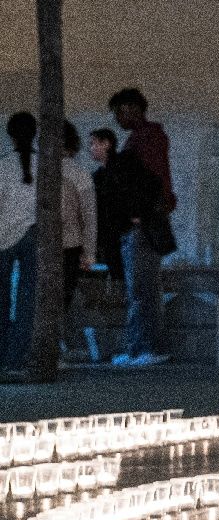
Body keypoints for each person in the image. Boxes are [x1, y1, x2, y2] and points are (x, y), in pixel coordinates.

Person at [108, 88, 175, 366]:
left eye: (119, 112)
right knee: (144, 288)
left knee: (141, 289)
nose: (117, 119)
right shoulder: (147, 138)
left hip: (143, 222)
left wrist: (137, 213)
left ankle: (145, 349)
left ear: (132, 108)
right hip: (148, 220)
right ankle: (143, 347)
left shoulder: (144, 140)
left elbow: (147, 182)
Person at [0, 113, 39, 374]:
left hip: (2, 237)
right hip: (34, 235)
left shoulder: (3, 165)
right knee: (27, 300)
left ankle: (2, 356)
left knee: (1, 300)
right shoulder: (45, 165)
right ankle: (18, 358)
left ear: (10, 135)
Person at [60, 123, 97, 361]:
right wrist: (90, 253)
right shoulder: (79, 173)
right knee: (64, 297)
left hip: (36, 242)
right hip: (70, 245)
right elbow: (89, 216)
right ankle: (58, 346)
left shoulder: (35, 170)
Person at [88, 128, 128, 282]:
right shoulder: (100, 174)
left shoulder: (115, 172)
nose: (91, 148)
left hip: (116, 233)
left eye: (93, 144)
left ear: (106, 144)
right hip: (112, 234)